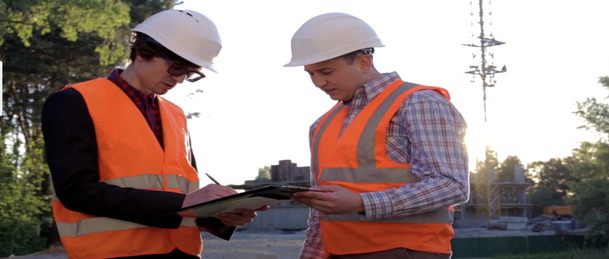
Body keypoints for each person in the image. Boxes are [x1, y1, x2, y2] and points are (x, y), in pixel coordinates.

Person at [41, 9, 266, 259]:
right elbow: (76, 191)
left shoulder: (175, 115)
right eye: (177, 68)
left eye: (190, 73)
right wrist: (183, 203)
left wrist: (216, 213)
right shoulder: (75, 102)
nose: (180, 79)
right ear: (141, 52)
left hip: (182, 252)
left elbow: (181, 195)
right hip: (114, 254)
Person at [286, 12, 470, 259]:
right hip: (339, 252)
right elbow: (322, 211)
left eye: (326, 71)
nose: (318, 82)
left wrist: (362, 203)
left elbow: (451, 185)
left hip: (405, 252)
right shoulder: (321, 125)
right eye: (311, 74)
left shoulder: (418, 103)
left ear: (363, 62)